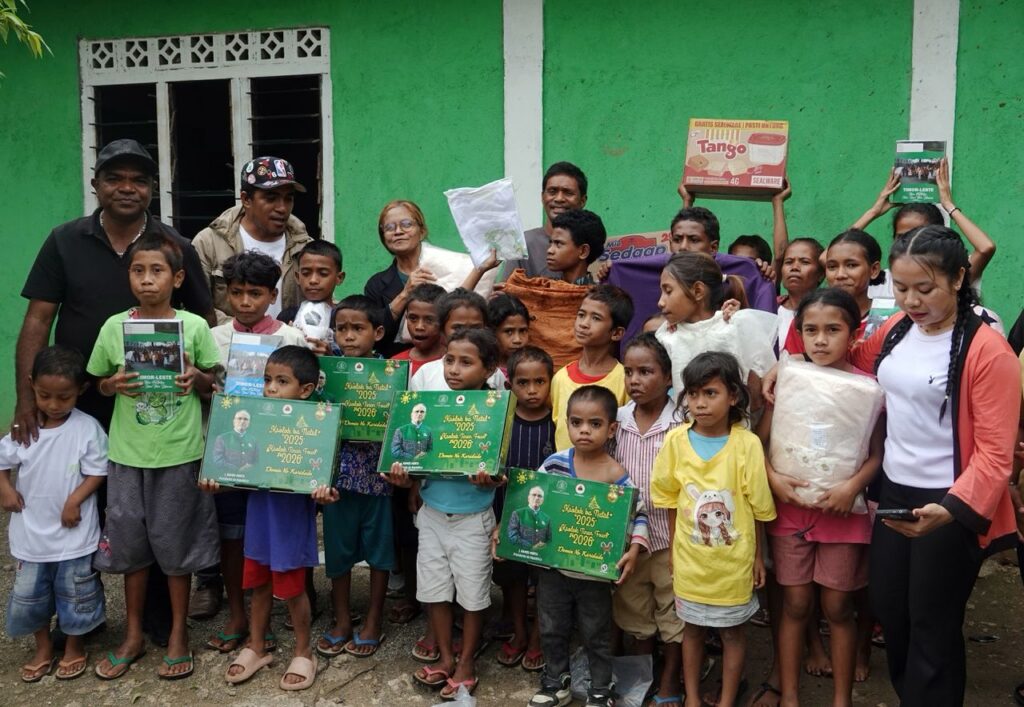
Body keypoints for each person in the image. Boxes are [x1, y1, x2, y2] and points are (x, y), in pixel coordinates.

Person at [845, 226, 1020, 706]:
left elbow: (995, 454)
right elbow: (853, 360)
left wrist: (950, 509)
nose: (911, 300)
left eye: (924, 288)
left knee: (932, 621)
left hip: (948, 499)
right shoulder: (897, 329)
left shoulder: (988, 351)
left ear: (959, 278)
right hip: (895, 491)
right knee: (891, 609)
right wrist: (790, 362)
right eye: (901, 288)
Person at [14, 138, 214, 444]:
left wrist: (199, 382)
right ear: (95, 185)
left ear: (153, 188)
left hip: (154, 407)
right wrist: (27, 399)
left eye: (139, 181)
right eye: (114, 179)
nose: (127, 188)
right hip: (76, 402)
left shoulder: (175, 247)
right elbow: (38, 321)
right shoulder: (64, 241)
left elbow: (205, 318)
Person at [87, 232, 222, 680]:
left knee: (176, 547)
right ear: (129, 276)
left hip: (179, 453)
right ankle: (133, 635)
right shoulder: (114, 327)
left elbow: (213, 384)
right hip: (127, 455)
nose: (147, 280)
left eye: (157, 271)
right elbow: (98, 381)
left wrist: (195, 378)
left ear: (177, 278)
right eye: (138, 271)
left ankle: (179, 634)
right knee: (131, 549)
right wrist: (112, 385)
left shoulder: (193, 327)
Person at [758, 289, 884, 707]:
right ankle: (790, 696)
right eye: (810, 330)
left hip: (843, 513)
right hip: (790, 509)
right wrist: (773, 479)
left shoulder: (867, 389)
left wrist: (851, 487)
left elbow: (876, 454)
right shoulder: (788, 379)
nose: (821, 340)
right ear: (799, 333)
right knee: (795, 603)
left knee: (838, 606)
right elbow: (759, 440)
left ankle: (841, 699)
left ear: (854, 334)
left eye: (833, 330)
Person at [201, 346, 339, 690]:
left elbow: (322, 480)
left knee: (292, 588)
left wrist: (324, 492)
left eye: (281, 381)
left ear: (305, 390)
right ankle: (256, 646)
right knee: (258, 583)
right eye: (267, 380)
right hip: (259, 516)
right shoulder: (257, 422)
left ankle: (304, 651)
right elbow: (239, 472)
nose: (271, 389)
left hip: (290, 521)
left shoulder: (314, 427)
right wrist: (215, 481)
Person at [385, 327, 506, 700]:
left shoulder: (495, 411)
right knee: (434, 590)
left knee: (473, 594)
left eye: (466, 362)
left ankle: (466, 661)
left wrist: (491, 479)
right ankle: (445, 655)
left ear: (489, 370)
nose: (453, 369)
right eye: (449, 360)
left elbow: (502, 472)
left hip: (473, 519)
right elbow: (414, 463)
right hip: (433, 514)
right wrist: (403, 476)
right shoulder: (431, 408)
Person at [652, 352, 776, 707]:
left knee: (733, 633)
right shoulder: (676, 441)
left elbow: (758, 506)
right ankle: (692, 697)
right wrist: (674, 551)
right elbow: (669, 500)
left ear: (733, 396)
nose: (700, 403)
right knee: (691, 631)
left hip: (734, 564)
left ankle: (725, 701)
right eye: (693, 394)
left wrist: (758, 557)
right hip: (690, 562)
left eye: (710, 393)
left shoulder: (746, 444)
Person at [195, 250, 307, 625]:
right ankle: (238, 614)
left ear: (273, 296)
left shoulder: (291, 338)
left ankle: (282, 610)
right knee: (232, 535)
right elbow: (204, 389)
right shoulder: (213, 338)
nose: (245, 302)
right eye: (237, 292)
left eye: (255, 293)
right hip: (229, 453)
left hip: (276, 454)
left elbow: (307, 395)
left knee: (277, 532)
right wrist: (208, 389)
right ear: (226, 292)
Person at [526, 385, 649, 707]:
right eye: (576, 422)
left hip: (594, 575)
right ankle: (556, 683)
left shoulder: (615, 474)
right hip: (554, 569)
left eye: (595, 424)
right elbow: (530, 498)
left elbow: (639, 513)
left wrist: (634, 549)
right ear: (566, 423)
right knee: (552, 628)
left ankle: (600, 689)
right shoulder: (554, 464)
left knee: (596, 634)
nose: (584, 430)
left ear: (611, 429)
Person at [1, 346, 107, 682]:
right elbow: (3, 461)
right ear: (31, 384)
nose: (53, 404)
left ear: (81, 390)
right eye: (44, 395)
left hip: (74, 534)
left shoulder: (86, 428)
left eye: (64, 397)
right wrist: (5, 489)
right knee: (31, 595)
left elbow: (98, 471)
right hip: (31, 534)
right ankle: (43, 647)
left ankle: (74, 645)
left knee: (76, 592)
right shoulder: (25, 428)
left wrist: (75, 500)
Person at [316, 296, 393, 660]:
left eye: (357, 328)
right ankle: (343, 618)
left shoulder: (391, 374)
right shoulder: (325, 372)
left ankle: (374, 618)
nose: (348, 336)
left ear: (377, 332)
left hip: (379, 478)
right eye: (341, 329)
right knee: (338, 548)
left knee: (380, 550)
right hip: (336, 477)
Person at [613, 333, 685, 706]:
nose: (635, 380)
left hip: (672, 537)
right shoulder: (618, 419)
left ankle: (671, 680)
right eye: (629, 372)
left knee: (674, 613)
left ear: (668, 377)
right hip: (629, 540)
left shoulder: (682, 423)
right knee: (634, 611)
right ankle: (643, 677)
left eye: (646, 371)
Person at [192, 155, 312, 322]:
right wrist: (241, 331)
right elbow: (197, 304)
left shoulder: (305, 247)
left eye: (288, 199)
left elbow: (321, 304)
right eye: (271, 198)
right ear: (246, 200)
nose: (282, 208)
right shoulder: (209, 243)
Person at [494, 346, 555, 672]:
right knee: (512, 578)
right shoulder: (501, 422)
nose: (532, 390)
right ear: (510, 385)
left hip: (546, 520)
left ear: (551, 382)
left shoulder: (558, 424)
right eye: (523, 383)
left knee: (546, 581)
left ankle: (537, 638)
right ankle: (518, 632)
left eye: (540, 382)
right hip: (507, 514)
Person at [654, 251, 777, 410]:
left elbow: (761, 396)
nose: (660, 302)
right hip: (684, 426)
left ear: (698, 291)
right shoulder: (667, 335)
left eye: (668, 291)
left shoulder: (734, 327)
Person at [851, 158, 996, 287]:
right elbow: (837, 253)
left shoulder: (951, 278)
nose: (911, 243)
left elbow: (986, 248)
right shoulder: (881, 280)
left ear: (939, 238)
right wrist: (872, 212)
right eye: (902, 237)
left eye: (920, 236)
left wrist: (949, 206)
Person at [550, 284, 633, 451]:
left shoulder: (625, 380)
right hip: (564, 467)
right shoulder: (560, 378)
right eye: (581, 315)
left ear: (616, 333)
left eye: (596, 318)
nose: (584, 324)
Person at [364, 200, 438, 357]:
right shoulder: (376, 284)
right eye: (389, 227)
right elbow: (372, 336)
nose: (398, 231)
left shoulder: (443, 270)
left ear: (422, 231)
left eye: (406, 224)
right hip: (394, 364)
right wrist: (405, 294)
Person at [500, 161, 589, 281]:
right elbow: (507, 289)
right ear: (542, 197)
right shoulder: (524, 244)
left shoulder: (593, 244)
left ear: (582, 201)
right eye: (552, 191)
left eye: (568, 193)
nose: (559, 198)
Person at [410, 288, 508, 391]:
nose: (466, 334)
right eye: (458, 328)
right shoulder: (426, 374)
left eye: (475, 328)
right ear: (442, 331)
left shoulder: (494, 375)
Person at [276, 239, 346, 329]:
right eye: (306, 273)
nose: (313, 280)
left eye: (323, 274)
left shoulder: (345, 318)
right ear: (297, 277)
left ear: (339, 278)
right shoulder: (286, 317)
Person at [775, 238, 825, 346]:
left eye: (805, 262)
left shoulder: (829, 311)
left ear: (821, 274)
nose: (794, 267)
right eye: (788, 262)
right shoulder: (770, 306)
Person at [389, 283, 447, 376]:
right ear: (406, 317)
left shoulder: (452, 363)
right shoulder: (395, 364)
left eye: (429, 320)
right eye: (413, 318)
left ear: (444, 321)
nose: (419, 327)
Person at [545, 209, 607, 286]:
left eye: (558, 243)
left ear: (583, 251)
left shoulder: (597, 293)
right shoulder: (543, 287)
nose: (549, 250)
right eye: (551, 243)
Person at [488, 292, 531, 374]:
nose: (517, 340)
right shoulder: (483, 372)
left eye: (522, 331)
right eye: (509, 331)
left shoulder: (533, 370)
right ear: (492, 332)